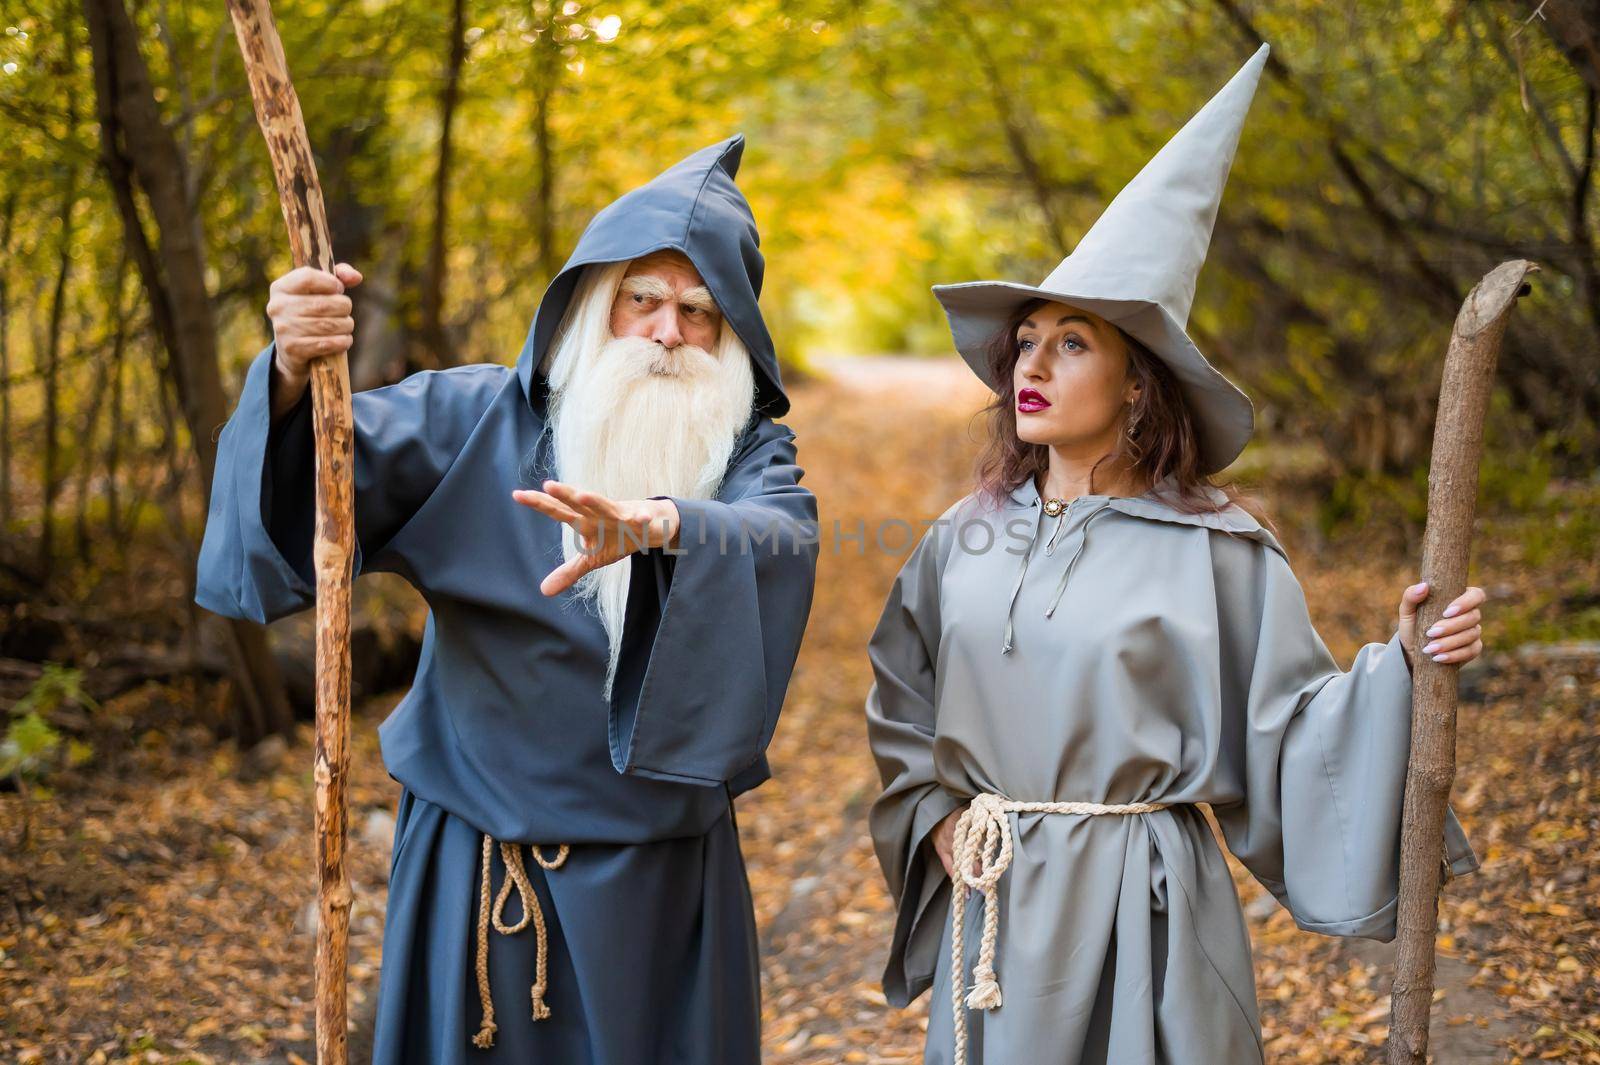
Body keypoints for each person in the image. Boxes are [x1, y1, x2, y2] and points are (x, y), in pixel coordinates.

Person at [863, 47, 1483, 1065]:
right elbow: (902, 690)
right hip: (998, 894)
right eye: (1025, 341)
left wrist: (1406, 666)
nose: (1032, 364)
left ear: (1138, 385)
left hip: (1138, 905)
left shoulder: (1218, 552)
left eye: (1072, 344)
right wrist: (933, 810)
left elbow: (1291, 727)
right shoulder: (958, 536)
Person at [196, 134, 818, 1064]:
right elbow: (315, 474)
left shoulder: (748, 458)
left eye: (699, 312)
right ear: (588, 303)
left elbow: (784, 535)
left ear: (733, 338)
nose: (665, 332)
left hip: (658, 881)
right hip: (473, 862)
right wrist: (290, 370)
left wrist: (664, 526)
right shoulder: (473, 418)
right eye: (640, 300)